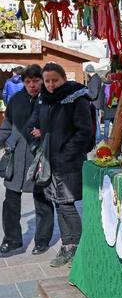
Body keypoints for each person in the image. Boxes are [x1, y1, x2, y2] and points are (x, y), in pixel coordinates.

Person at [28, 62, 94, 267]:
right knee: (59, 203)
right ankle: (68, 246)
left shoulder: (76, 98)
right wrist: (39, 133)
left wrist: (65, 153)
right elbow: (37, 122)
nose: (50, 84)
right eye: (47, 81)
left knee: (66, 204)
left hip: (69, 160)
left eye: (54, 80)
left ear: (64, 79)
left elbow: (84, 131)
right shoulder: (45, 100)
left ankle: (80, 246)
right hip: (50, 159)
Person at [0, 65, 54, 255]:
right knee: (10, 201)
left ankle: (42, 240)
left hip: (39, 158)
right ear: (23, 82)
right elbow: (6, 127)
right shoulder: (15, 100)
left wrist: (45, 132)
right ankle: (12, 240)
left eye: (36, 81)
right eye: (28, 82)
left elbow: (60, 127)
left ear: (42, 80)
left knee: (42, 200)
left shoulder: (50, 100)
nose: (32, 85)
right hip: (16, 158)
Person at [85, 65, 104, 144]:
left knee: (95, 122)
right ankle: (97, 138)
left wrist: (86, 95)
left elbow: (94, 94)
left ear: (88, 72)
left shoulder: (94, 80)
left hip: (94, 103)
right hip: (96, 103)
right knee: (95, 122)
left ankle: (97, 138)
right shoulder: (97, 78)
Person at [101, 74, 116, 141]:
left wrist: (101, 107)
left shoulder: (103, 86)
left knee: (106, 125)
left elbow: (101, 98)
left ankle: (106, 139)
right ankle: (114, 138)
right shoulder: (115, 85)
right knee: (114, 125)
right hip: (113, 107)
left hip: (106, 106)